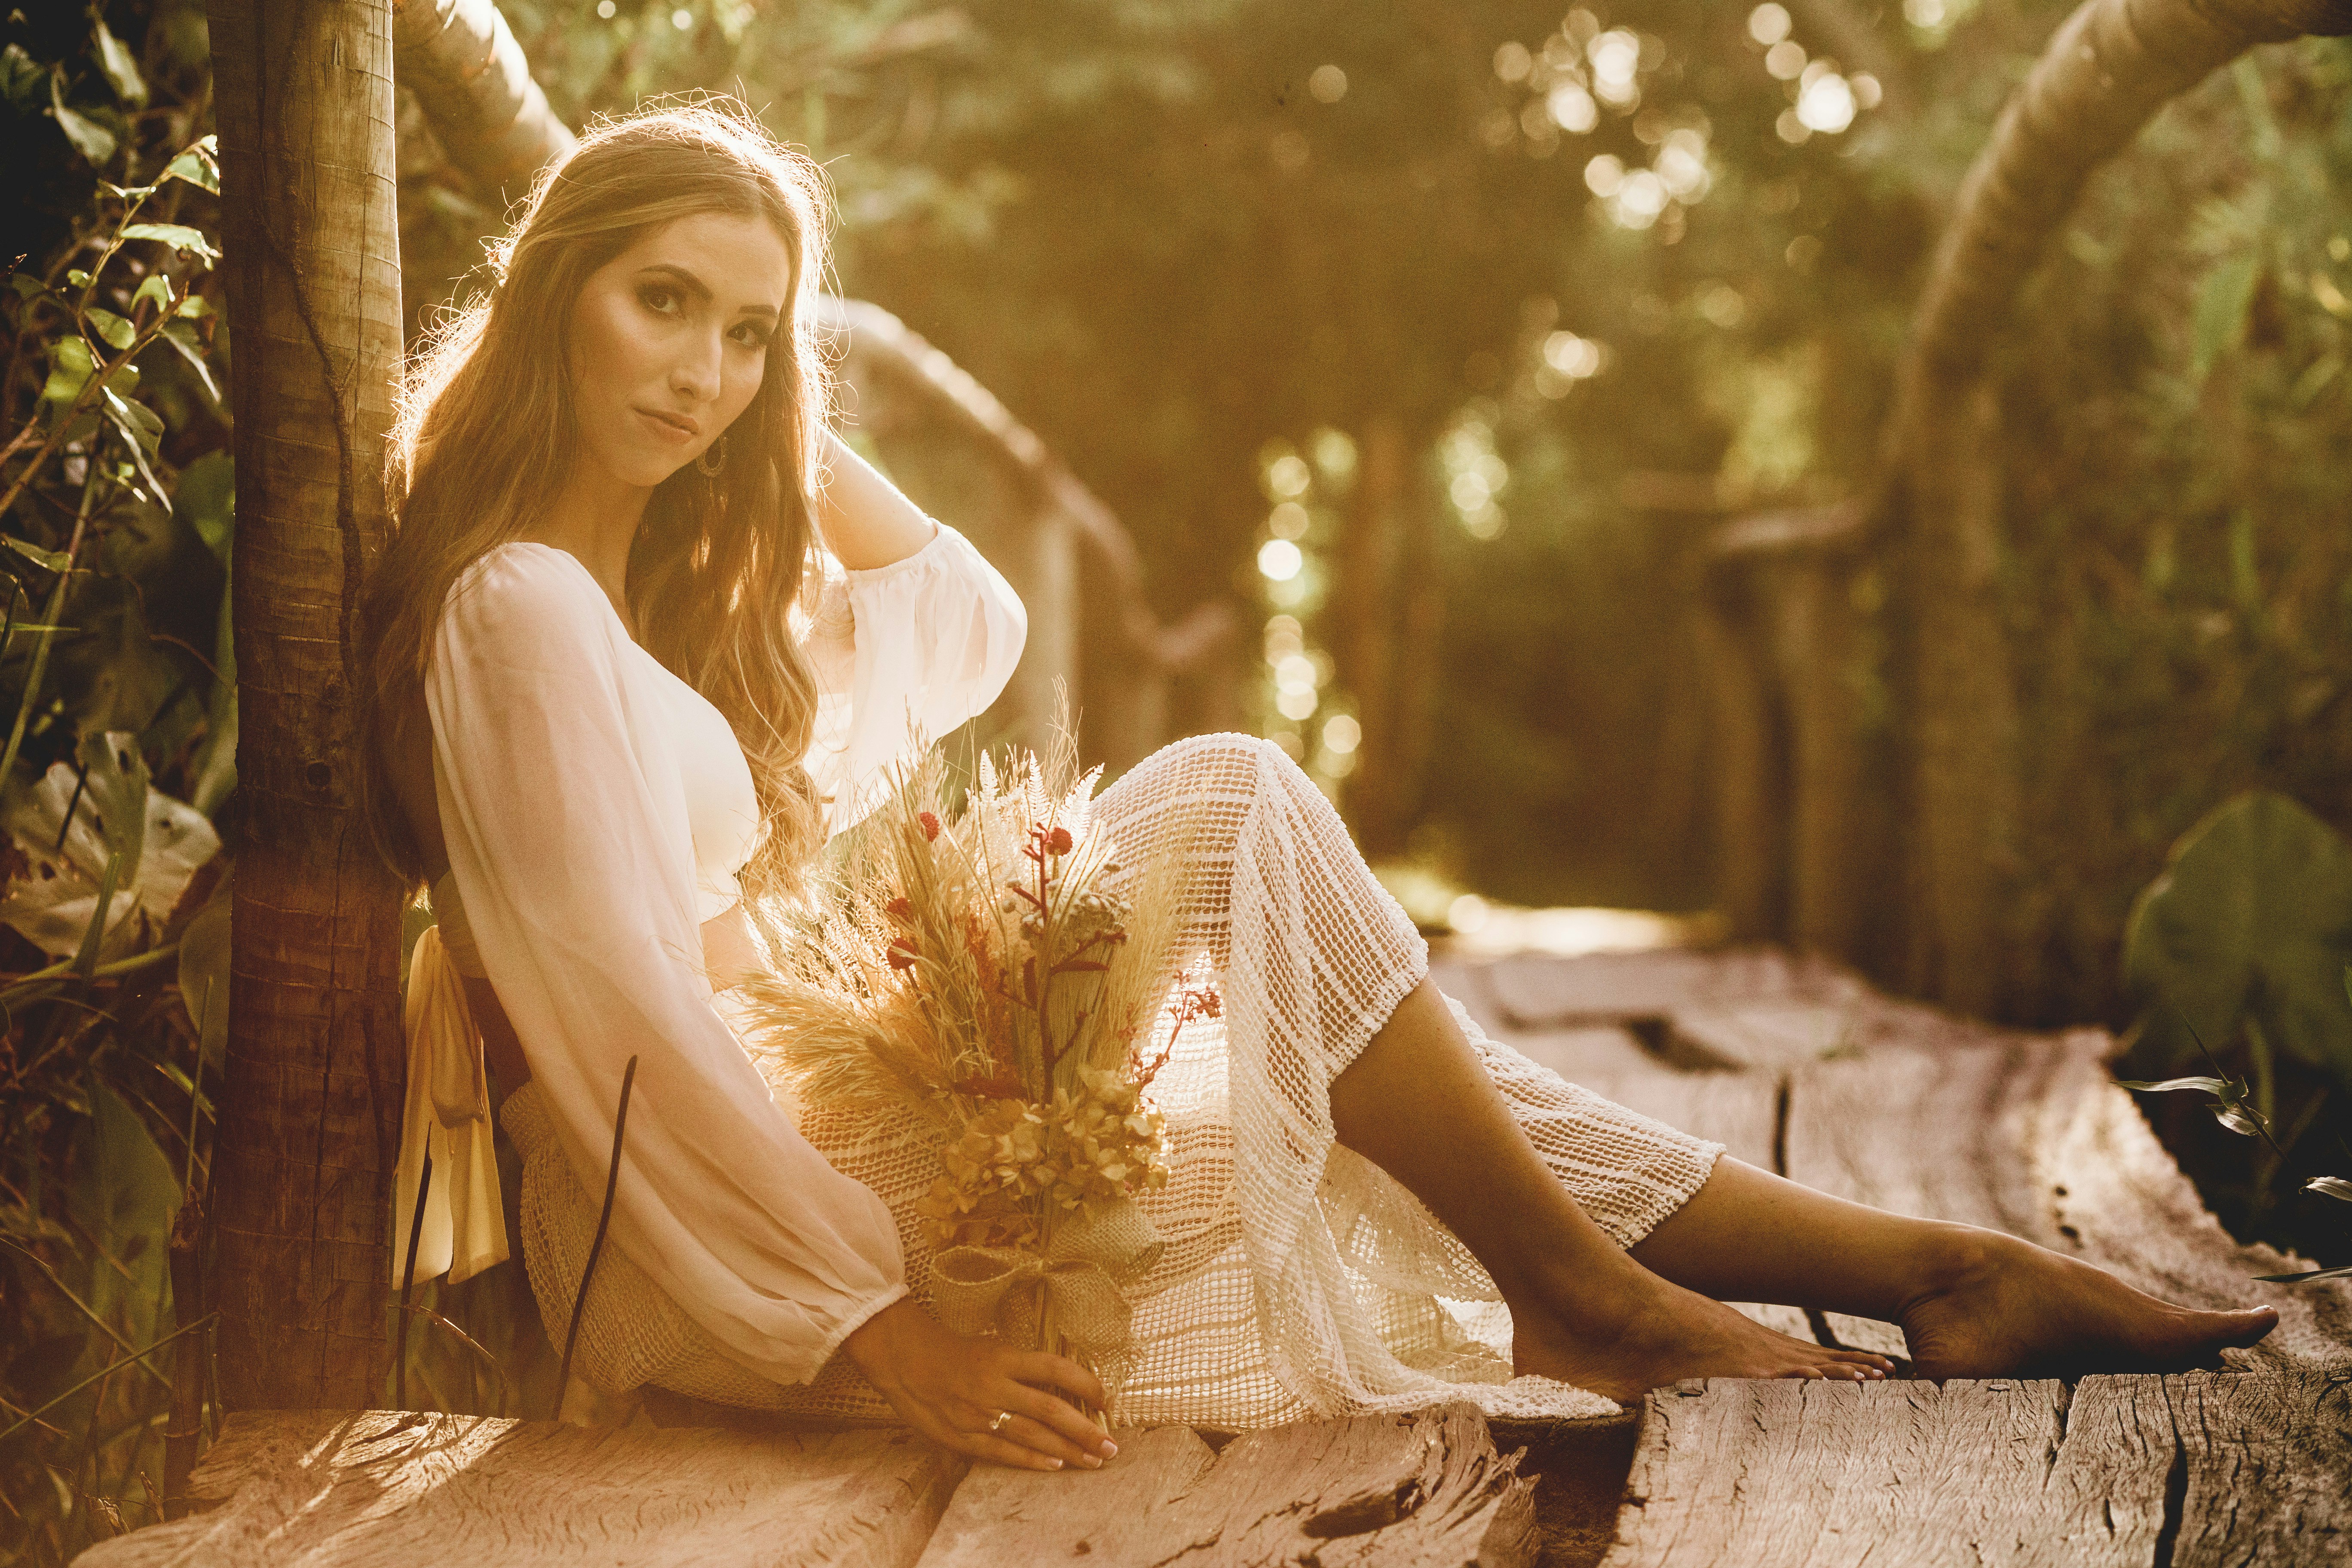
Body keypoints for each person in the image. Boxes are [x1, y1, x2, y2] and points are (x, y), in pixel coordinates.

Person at [358, 101, 2277, 1476]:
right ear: (556, 300)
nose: (703, 371)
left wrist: (784, 420)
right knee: (1230, 815)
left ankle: (1934, 1271)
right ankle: (1633, 1301)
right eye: (659, 303)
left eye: (749, 330)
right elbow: (620, 1027)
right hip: (755, 1247)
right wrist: (879, 1332)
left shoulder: (619, 594)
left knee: (1378, 1057)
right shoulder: (522, 607)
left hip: (800, 1177)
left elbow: (961, 613)